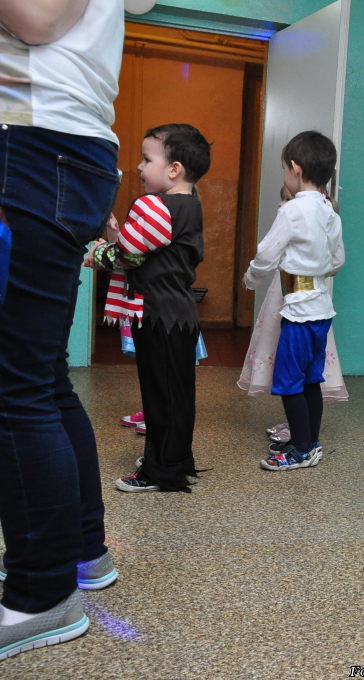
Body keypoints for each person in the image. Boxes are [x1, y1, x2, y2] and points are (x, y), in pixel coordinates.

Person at [0, 0, 123, 660]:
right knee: (41, 377)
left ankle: (41, 595)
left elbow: (35, 17)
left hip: (34, 137)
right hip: (60, 141)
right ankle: (80, 553)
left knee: (16, 386)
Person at [88, 123, 211, 493]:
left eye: (146, 159)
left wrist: (98, 252)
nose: (139, 167)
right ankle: (174, 458)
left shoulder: (154, 206)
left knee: (161, 396)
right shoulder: (191, 205)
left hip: (158, 315)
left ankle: (162, 471)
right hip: (178, 314)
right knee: (175, 394)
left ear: (174, 169)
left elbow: (129, 254)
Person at [243, 131, 344, 471]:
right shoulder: (330, 211)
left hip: (299, 311)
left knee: (288, 382)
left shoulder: (293, 210)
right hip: (322, 310)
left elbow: (266, 253)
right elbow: (338, 260)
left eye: (285, 168)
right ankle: (309, 441)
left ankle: (301, 449)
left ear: (295, 168)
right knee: (311, 380)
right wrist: (315, 269)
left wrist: (251, 279)